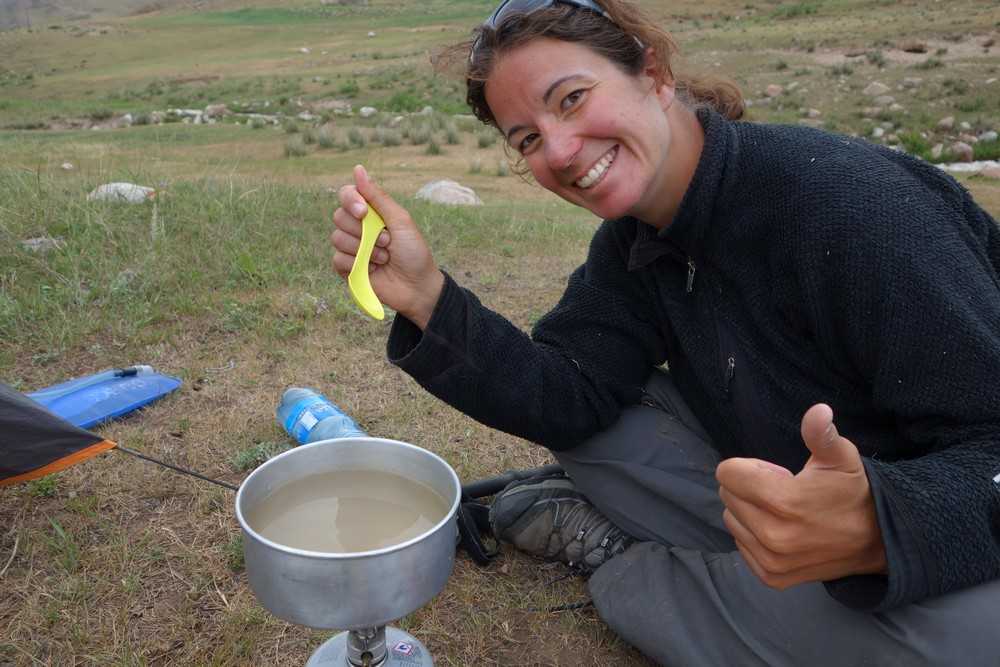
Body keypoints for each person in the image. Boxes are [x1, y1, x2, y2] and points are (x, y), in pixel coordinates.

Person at [330, 0, 1000, 664]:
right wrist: (428, 298)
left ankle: (629, 568)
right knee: (594, 424)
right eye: (527, 138)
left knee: (970, 640)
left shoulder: (857, 211)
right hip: (775, 479)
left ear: (653, 73)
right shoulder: (635, 243)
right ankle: (774, 570)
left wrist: (879, 525)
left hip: (941, 528)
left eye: (571, 99)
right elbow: (566, 393)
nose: (559, 151)